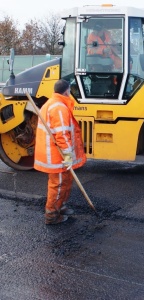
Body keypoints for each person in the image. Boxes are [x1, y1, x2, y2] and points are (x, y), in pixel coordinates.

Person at [34, 79, 87, 224]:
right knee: (58, 185)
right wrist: (68, 154)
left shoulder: (53, 103)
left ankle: (61, 205)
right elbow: (62, 134)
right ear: (67, 91)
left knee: (66, 181)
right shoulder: (59, 108)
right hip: (57, 156)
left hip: (57, 154)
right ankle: (52, 215)